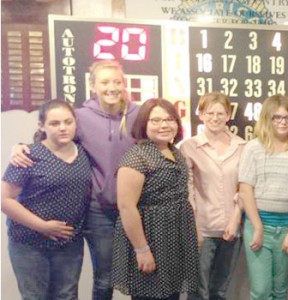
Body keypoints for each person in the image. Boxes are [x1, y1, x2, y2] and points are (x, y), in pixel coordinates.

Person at [10, 60, 139, 300]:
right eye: (105, 82)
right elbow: (48, 140)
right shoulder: (80, 117)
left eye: (117, 81)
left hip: (135, 207)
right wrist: (19, 147)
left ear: (124, 84)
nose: (112, 87)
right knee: (104, 279)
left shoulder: (138, 114)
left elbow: (159, 137)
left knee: (138, 273)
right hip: (98, 210)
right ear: (92, 86)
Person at [2, 100, 91, 300]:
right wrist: (43, 226)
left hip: (69, 242)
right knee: (35, 297)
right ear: (41, 126)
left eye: (68, 122)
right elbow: (5, 200)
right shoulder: (28, 155)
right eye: (54, 123)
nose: (62, 128)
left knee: (67, 296)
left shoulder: (84, 152)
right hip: (29, 243)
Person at [111, 98, 200, 299]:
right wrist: (142, 249)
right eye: (156, 120)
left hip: (176, 238)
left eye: (169, 119)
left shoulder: (175, 152)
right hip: (150, 238)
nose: (164, 125)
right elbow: (126, 207)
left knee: (171, 295)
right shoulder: (136, 157)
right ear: (144, 124)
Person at [180, 92, 247, 300]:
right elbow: (187, 191)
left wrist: (235, 220)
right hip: (202, 230)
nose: (215, 118)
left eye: (220, 113)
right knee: (198, 291)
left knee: (220, 290)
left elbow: (244, 188)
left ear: (228, 115)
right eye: (210, 113)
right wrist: (194, 228)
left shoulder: (243, 146)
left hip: (231, 230)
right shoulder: (189, 147)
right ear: (201, 114)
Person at [238, 94, 288, 300]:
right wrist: (257, 227)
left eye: (287, 117)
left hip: (287, 229)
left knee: (280, 290)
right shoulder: (253, 148)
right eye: (276, 117)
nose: (283, 122)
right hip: (259, 228)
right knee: (261, 291)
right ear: (267, 119)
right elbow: (245, 189)